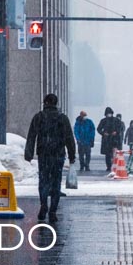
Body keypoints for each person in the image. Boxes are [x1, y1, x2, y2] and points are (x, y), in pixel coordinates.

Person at [23, 92, 78, 224]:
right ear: (56, 103)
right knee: (56, 182)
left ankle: (43, 204)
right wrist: (71, 155)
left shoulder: (39, 117)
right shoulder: (62, 118)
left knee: (43, 180)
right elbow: (69, 138)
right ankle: (53, 211)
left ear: (45, 103)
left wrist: (29, 153)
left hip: (44, 155)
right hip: (58, 154)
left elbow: (31, 136)